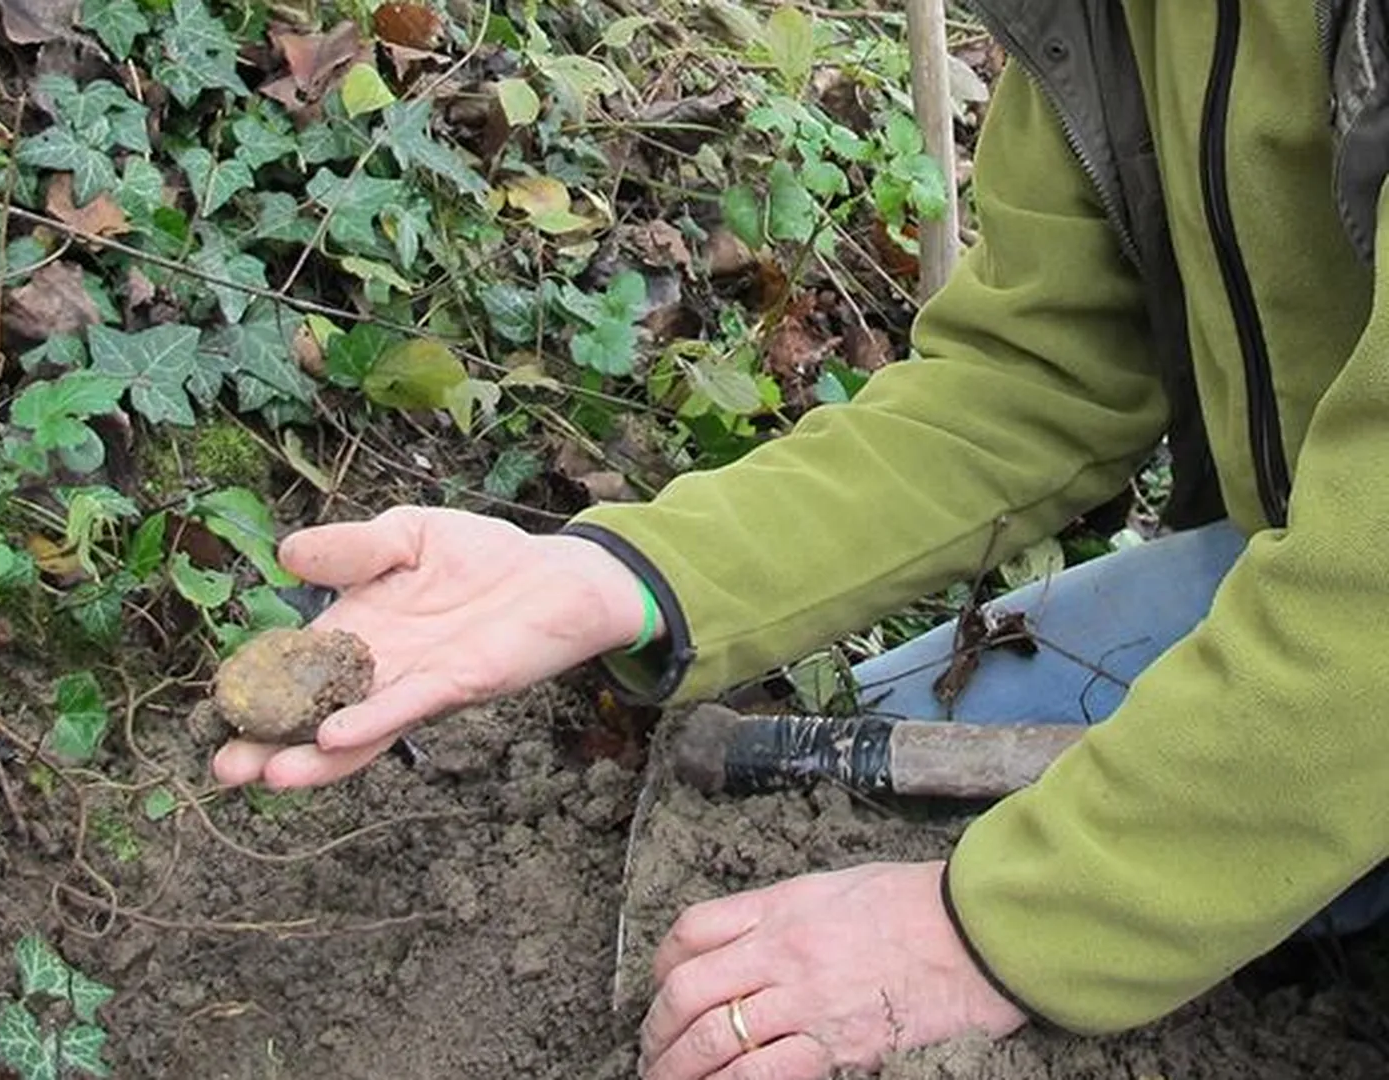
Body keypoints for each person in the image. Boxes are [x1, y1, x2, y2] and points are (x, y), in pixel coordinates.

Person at [213, 4, 1389, 1077]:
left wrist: (996, 932)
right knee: (820, 808)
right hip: (1302, 563)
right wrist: (624, 573)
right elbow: (1040, 374)